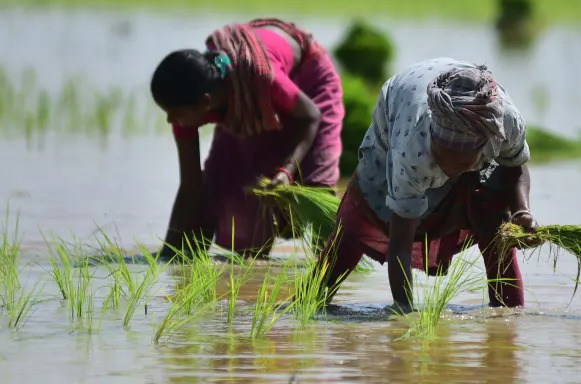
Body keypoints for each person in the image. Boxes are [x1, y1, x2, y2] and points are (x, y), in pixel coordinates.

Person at [315, 57, 537, 312]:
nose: (449, 169)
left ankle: (508, 315)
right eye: (442, 157)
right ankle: (310, 301)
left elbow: (515, 166)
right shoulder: (412, 148)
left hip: (467, 109)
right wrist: (404, 311)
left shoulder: (506, 124)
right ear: (433, 140)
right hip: (399, 110)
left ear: (483, 147)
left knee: (495, 222)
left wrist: (523, 212)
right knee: (360, 218)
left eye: (460, 163)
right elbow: (399, 245)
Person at [149, 18, 345, 260]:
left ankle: (333, 269)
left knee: (317, 185)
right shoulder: (192, 100)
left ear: (206, 104)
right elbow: (191, 185)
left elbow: (311, 116)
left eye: (175, 114)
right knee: (228, 184)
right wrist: (168, 252)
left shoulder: (263, 78)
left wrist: (287, 170)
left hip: (308, 80)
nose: (170, 120)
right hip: (249, 92)